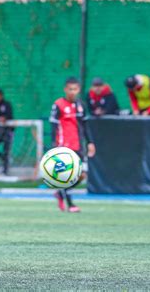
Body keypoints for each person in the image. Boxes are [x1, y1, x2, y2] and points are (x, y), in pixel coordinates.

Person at [49, 77, 96, 213]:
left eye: (75, 89)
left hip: (78, 145)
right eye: (70, 89)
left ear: (79, 90)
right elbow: (53, 126)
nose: (72, 92)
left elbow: (85, 126)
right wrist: (54, 146)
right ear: (65, 89)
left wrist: (90, 142)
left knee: (82, 175)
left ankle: (60, 194)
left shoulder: (81, 105)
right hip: (63, 145)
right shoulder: (58, 105)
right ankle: (70, 204)